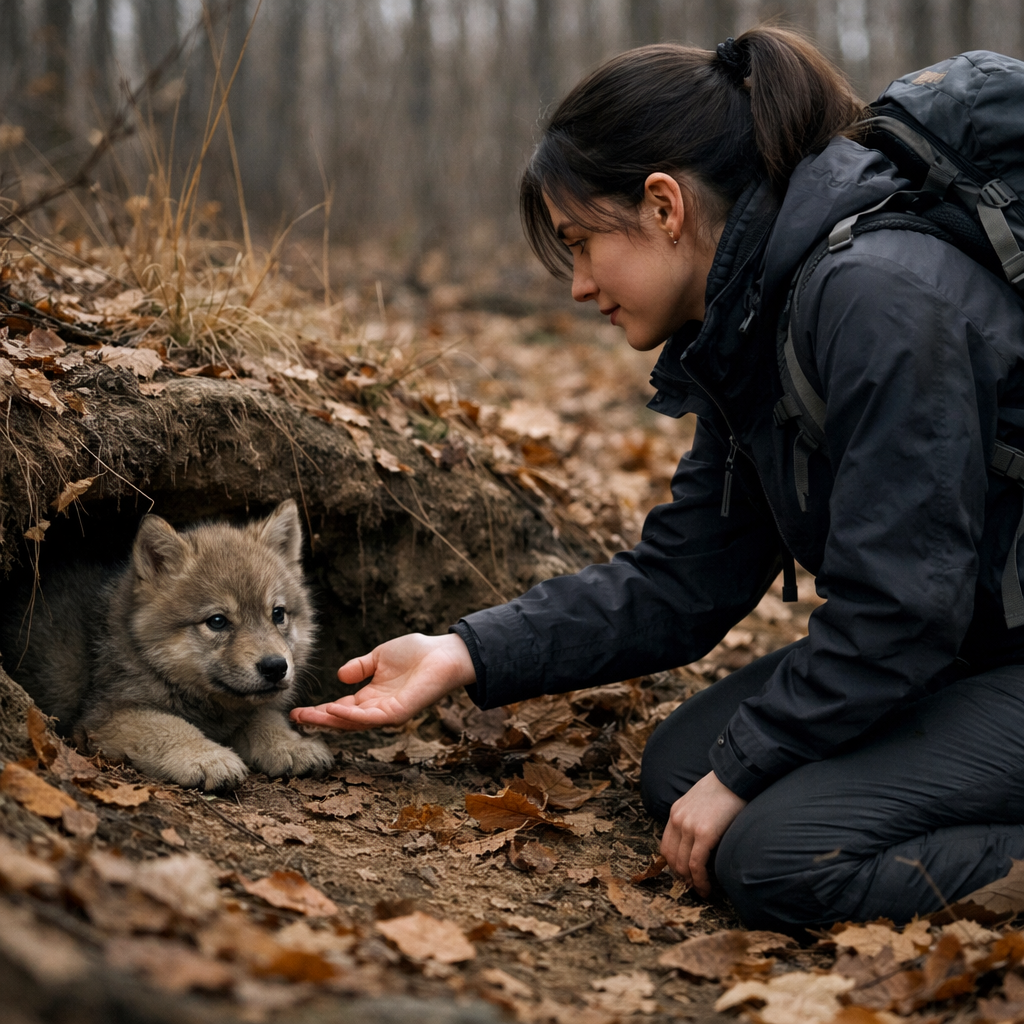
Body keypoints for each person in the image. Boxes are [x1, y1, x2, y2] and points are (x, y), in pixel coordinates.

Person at [293, 27, 1024, 934]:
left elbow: (900, 610)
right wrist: (465, 652)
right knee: (683, 766)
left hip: (977, 650)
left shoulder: (874, 295)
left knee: (781, 857)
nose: (577, 285)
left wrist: (748, 776)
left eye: (579, 242)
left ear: (664, 205)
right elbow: (687, 580)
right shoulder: (753, 317)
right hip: (970, 648)